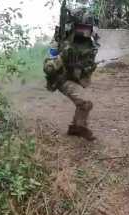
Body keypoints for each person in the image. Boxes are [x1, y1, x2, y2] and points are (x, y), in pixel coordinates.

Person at [43, 3, 99, 141]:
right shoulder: (60, 40)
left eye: (87, 27)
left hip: (75, 78)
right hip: (61, 79)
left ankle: (75, 127)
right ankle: (79, 128)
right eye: (82, 27)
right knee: (85, 102)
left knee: (83, 103)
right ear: (74, 26)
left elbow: (88, 63)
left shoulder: (90, 43)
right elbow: (48, 67)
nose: (85, 30)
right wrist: (62, 56)